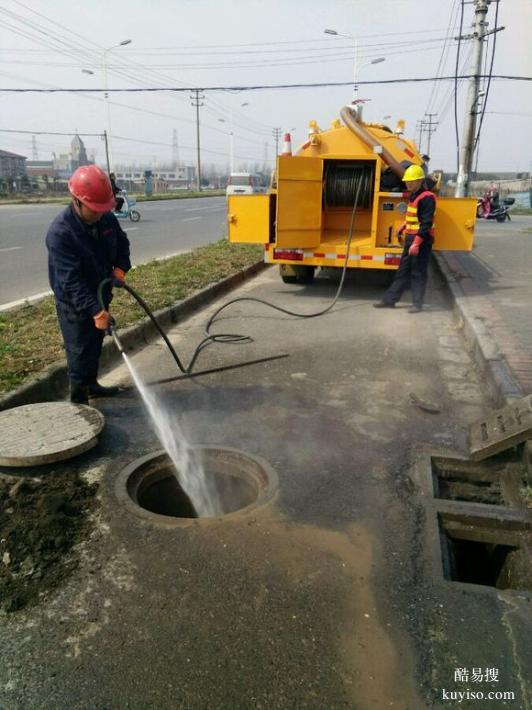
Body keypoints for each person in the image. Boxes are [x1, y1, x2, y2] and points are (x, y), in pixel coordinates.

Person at [46, 164, 131, 404]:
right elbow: (70, 282)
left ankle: (92, 385)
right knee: (80, 350)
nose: (98, 214)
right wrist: (94, 310)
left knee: (95, 344)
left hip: (100, 291)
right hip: (75, 303)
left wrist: (121, 268)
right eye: (93, 209)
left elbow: (122, 244)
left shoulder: (106, 218)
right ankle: (79, 402)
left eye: (102, 209)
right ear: (76, 201)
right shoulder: (61, 233)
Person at [373, 164, 436, 313]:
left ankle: (417, 304)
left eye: (411, 181)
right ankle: (390, 300)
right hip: (411, 238)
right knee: (402, 270)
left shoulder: (427, 198)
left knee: (418, 272)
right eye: (407, 181)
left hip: (421, 241)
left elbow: (426, 223)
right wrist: (404, 225)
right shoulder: (413, 195)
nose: (408, 184)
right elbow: (414, 217)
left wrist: (416, 243)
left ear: (420, 180)